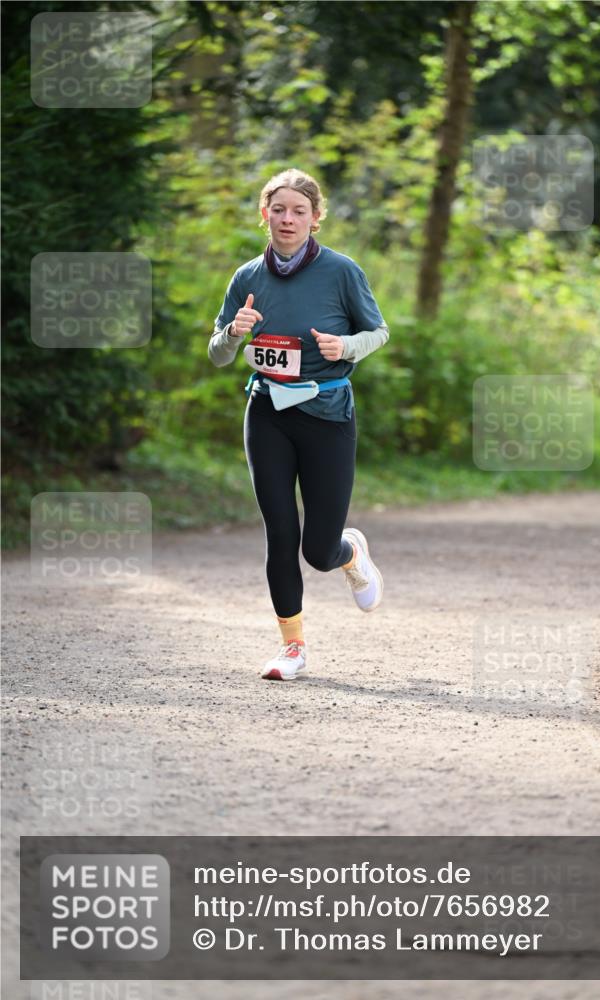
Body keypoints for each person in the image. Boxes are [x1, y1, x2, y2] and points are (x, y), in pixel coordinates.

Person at [208, 168, 389, 679]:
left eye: (299, 211)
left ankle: (350, 552)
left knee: (317, 549)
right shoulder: (247, 277)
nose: (288, 219)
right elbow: (218, 354)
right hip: (267, 412)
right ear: (265, 214)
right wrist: (233, 335)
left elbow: (378, 332)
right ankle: (293, 647)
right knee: (281, 532)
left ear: (315, 218)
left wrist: (345, 346)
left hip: (327, 415)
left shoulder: (341, 271)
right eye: (279, 209)